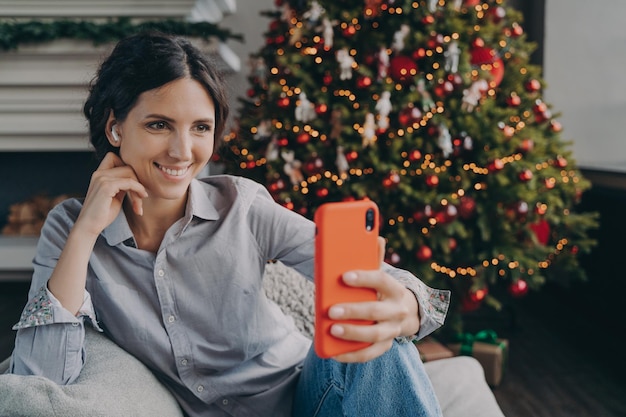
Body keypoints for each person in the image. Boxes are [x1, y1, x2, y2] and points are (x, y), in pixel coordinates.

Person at [8, 32, 451, 417]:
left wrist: (410, 306)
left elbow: (373, 280)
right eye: (160, 124)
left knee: (375, 340)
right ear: (115, 128)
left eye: (200, 127)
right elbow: (41, 378)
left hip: (308, 399)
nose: (183, 151)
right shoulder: (70, 227)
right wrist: (86, 233)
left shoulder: (242, 205)